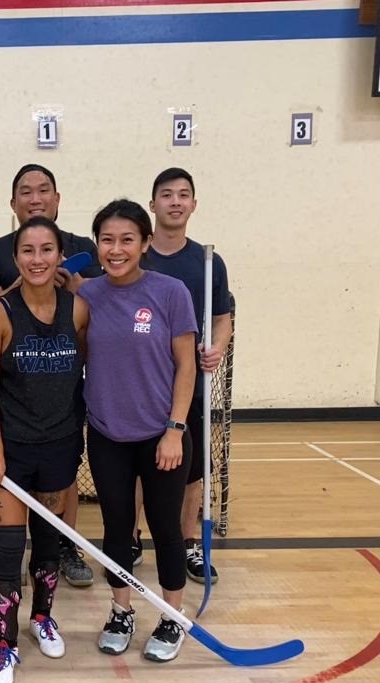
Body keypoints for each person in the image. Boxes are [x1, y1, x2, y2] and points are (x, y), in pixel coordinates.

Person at [78, 199, 196, 663]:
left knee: (167, 527)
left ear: (145, 243)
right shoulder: (88, 296)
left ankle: (171, 615)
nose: (116, 248)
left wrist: (174, 429)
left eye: (127, 239)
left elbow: (186, 365)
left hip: (161, 434)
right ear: (97, 245)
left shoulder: (171, 292)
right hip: (108, 433)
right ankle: (121, 610)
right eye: (107, 239)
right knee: (117, 527)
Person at [0, 216, 89, 683]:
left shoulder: (78, 310)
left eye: (47, 250)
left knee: (47, 545)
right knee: (7, 551)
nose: (37, 259)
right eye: (28, 250)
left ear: (60, 255)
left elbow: (84, 372)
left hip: (60, 445)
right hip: (12, 451)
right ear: (16, 257)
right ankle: (5, 645)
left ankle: (42, 617)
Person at [0, 163, 102, 589]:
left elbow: (99, 309)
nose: (35, 198)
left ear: (57, 199)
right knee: (10, 493)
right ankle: (5, 549)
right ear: (12, 203)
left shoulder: (84, 246)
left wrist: (76, 285)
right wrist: (36, 282)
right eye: (25, 192)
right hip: (16, 395)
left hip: (62, 394)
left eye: (43, 190)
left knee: (63, 475)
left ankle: (65, 545)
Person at [144, 167, 233, 584]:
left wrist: (217, 346)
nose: (175, 201)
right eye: (167, 194)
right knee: (140, 465)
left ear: (193, 205)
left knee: (192, 468)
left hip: (190, 381)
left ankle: (188, 542)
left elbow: (222, 317)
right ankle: (132, 538)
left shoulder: (207, 261)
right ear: (153, 205)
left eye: (183, 195)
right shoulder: (136, 257)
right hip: (141, 381)